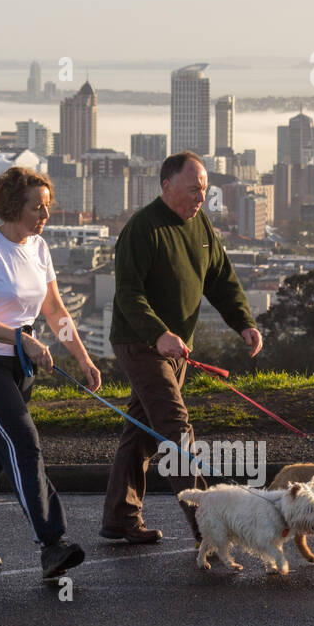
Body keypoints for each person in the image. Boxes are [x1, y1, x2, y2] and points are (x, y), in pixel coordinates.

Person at [0, 165, 102, 579]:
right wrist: (22, 338)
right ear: (15, 207)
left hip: (17, 362)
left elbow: (55, 310)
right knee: (23, 442)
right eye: (37, 208)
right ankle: (52, 544)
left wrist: (82, 358)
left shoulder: (38, 247)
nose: (45, 215)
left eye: (48, 206)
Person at [100, 151, 263, 544]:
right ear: (166, 186)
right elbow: (128, 294)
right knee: (175, 427)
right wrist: (158, 334)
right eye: (193, 190)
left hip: (178, 348)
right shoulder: (142, 229)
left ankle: (120, 518)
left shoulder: (201, 226)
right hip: (141, 343)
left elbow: (221, 279)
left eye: (204, 191)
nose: (200, 199)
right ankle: (209, 527)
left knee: (141, 433)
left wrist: (244, 322)